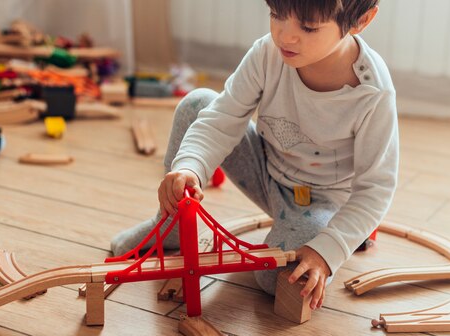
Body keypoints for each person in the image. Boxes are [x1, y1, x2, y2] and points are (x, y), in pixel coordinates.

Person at [111, 0, 398, 312]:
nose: (284, 36)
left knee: (275, 279)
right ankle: (171, 228)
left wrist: (328, 251)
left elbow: (375, 189)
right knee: (198, 104)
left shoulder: (373, 94)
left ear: (361, 21)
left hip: (321, 201)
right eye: (277, 15)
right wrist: (190, 168)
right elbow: (221, 118)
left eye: (308, 27)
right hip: (266, 171)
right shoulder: (267, 53)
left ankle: (331, 238)